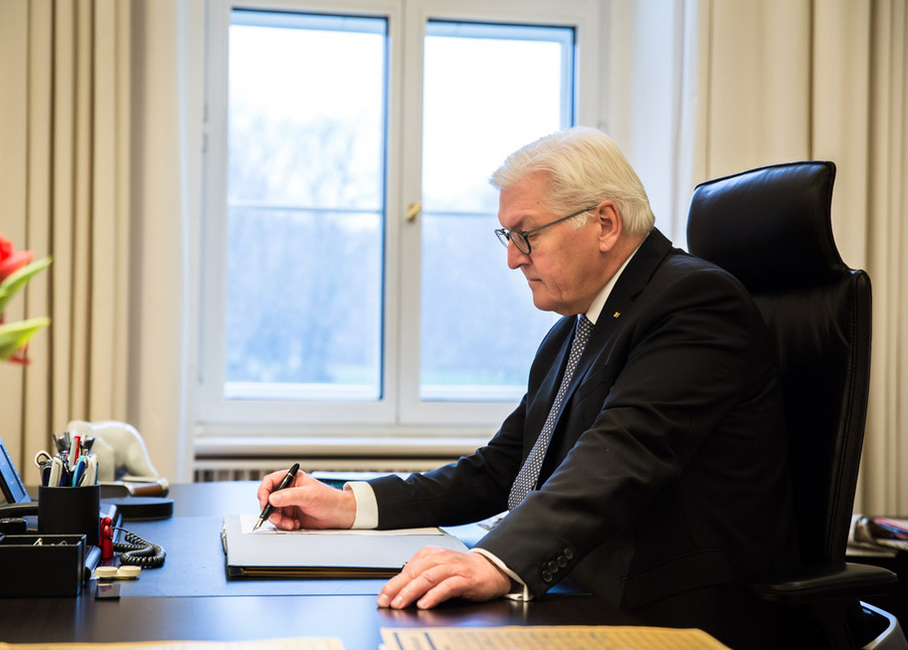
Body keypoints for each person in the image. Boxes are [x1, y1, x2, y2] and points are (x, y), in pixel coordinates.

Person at [256, 126, 797, 648]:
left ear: (604, 222)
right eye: (508, 236)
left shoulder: (695, 302)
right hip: (576, 583)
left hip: (662, 610)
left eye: (526, 234)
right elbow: (504, 468)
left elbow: (621, 456)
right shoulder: (575, 329)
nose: (513, 257)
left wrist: (495, 560)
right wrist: (350, 503)